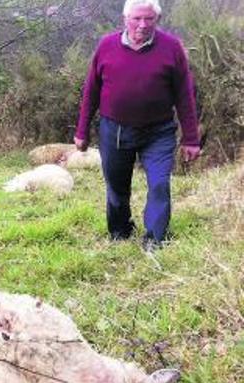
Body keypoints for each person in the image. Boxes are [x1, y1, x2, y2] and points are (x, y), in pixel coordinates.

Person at [74, 0, 200, 252]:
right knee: (117, 188)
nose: (142, 25)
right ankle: (120, 233)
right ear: (125, 19)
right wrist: (82, 130)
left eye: (149, 19)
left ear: (157, 20)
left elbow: (185, 95)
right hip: (115, 131)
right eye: (137, 19)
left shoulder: (172, 48)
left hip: (159, 132)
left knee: (159, 184)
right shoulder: (106, 46)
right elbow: (91, 91)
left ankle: (154, 239)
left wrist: (191, 138)